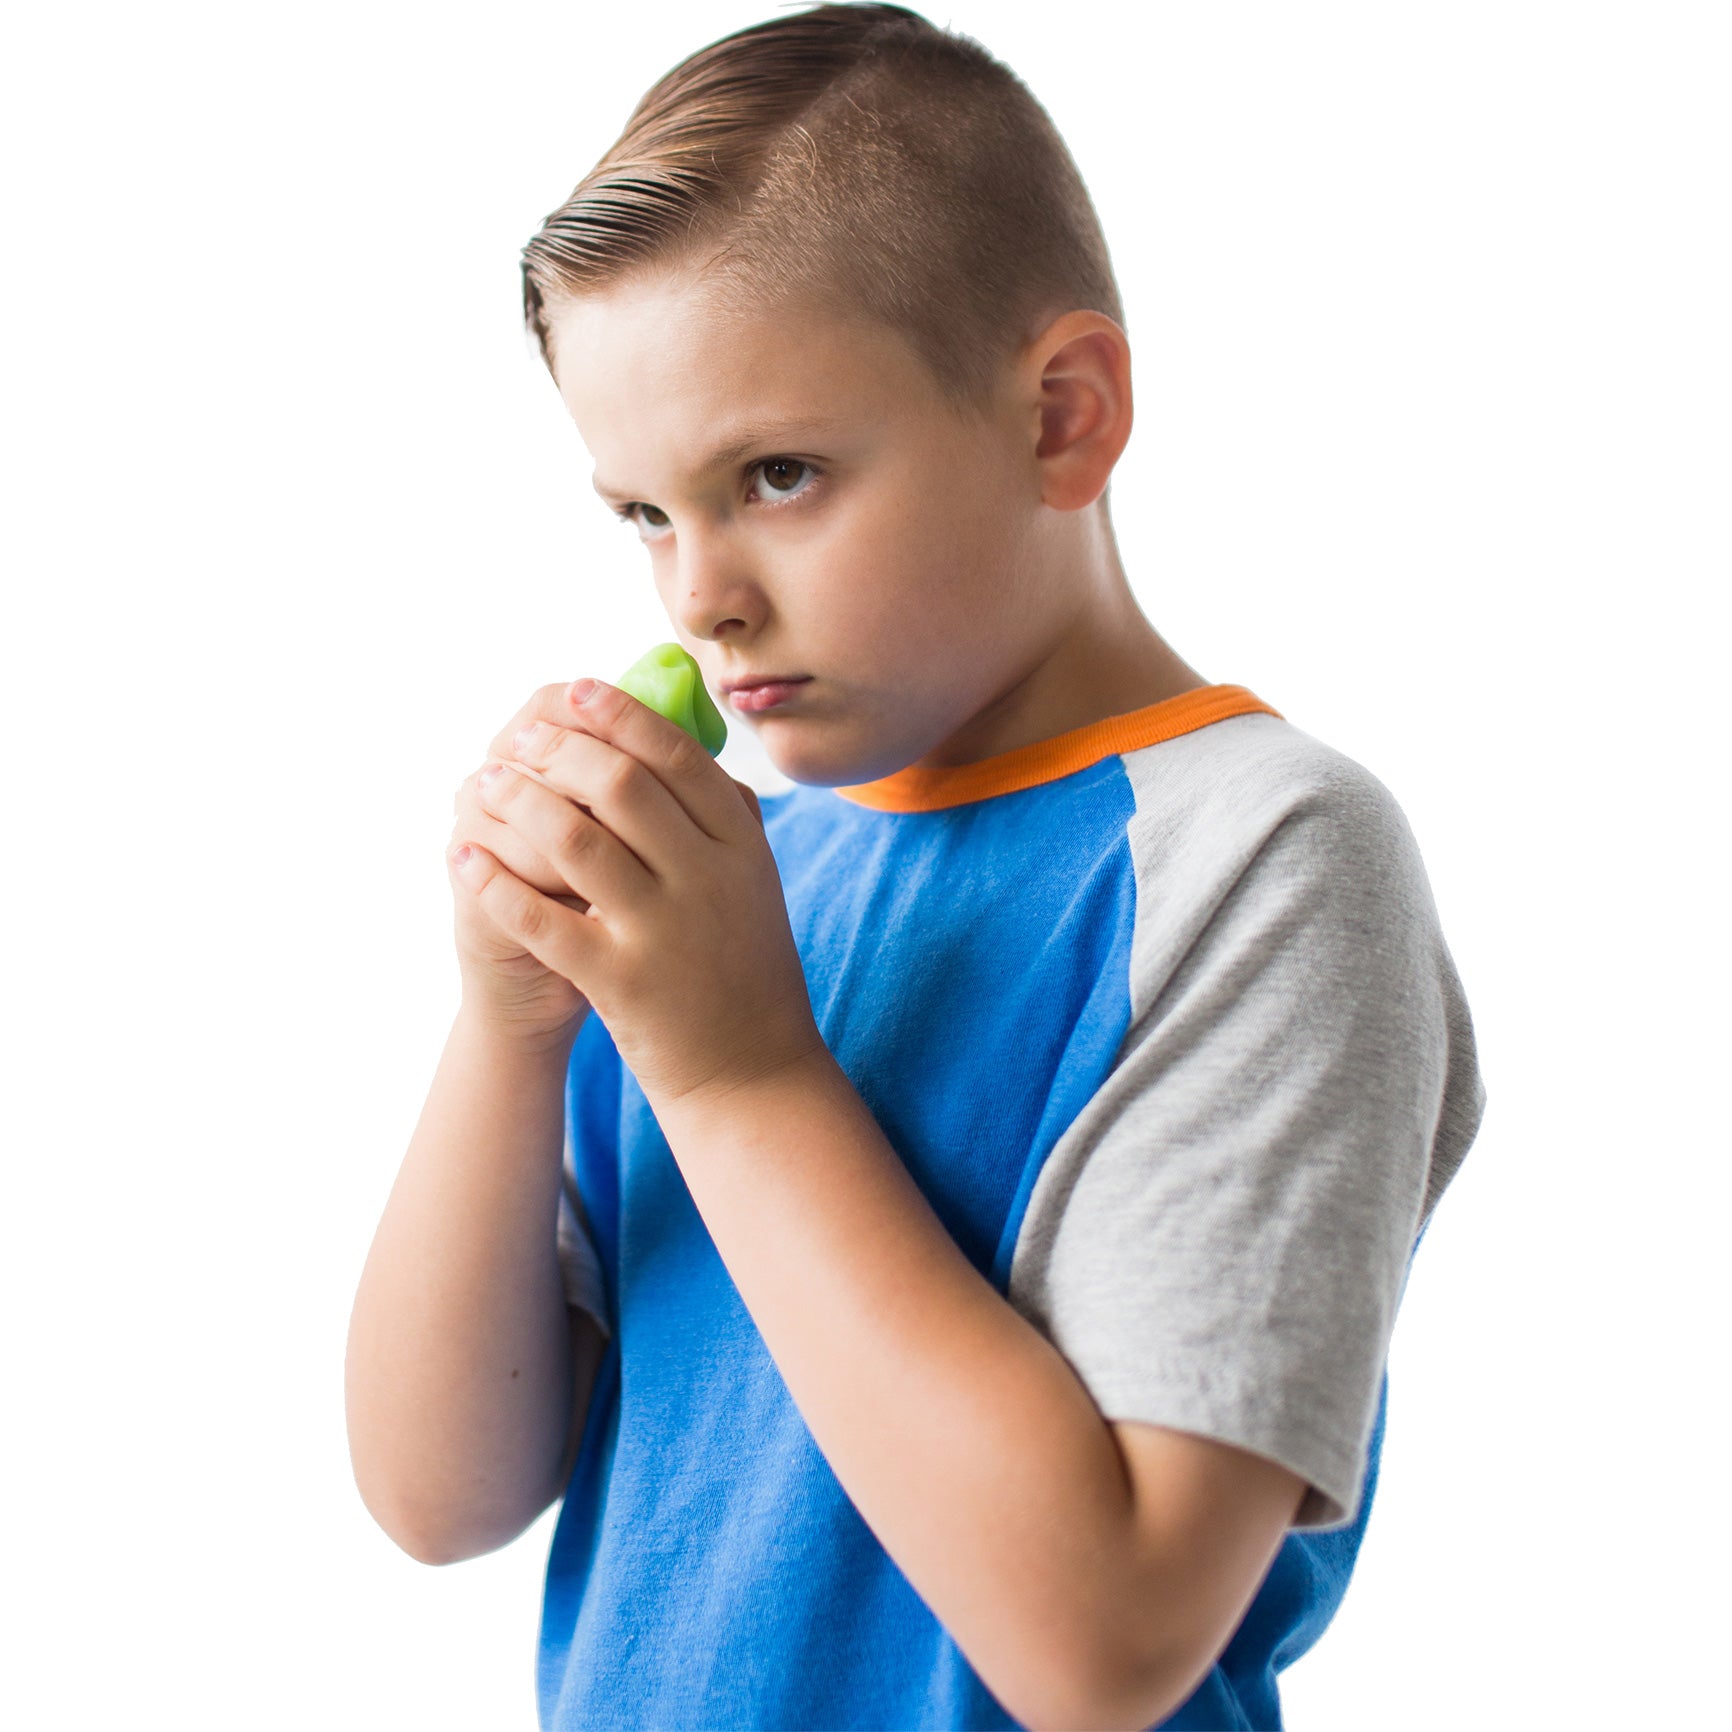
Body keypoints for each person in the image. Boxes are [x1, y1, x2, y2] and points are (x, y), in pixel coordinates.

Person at [343, 5, 1486, 1727]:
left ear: (1062, 418)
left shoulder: (1266, 859)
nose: (696, 595)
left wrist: (735, 1073)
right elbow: (440, 1497)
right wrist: (511, 1028)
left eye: (777, 476)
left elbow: (1107, 1642)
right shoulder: (725, 891)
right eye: (646, 514)